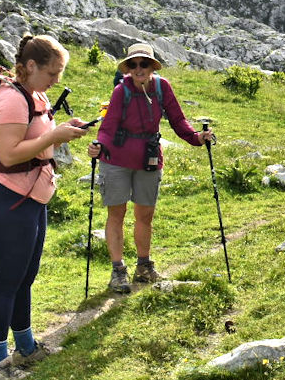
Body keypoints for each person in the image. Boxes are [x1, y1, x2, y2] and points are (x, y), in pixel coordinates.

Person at [0, 34, 91, 380]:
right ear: (29, 67)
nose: (57, 80)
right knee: (6, 281)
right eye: (52, 72)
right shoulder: (11, 99)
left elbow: (37, 140)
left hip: (32, 197)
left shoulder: (35, 95)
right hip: (7, 198)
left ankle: (25, 346)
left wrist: (62, 132)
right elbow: (10, 154)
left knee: (25, 277)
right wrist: (53, 137)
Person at [87, 43, 214, 293]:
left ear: (152, 66)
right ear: (128, 68)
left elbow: (178, 120)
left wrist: (197, 138)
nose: (138, 69)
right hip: (115, 160)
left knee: (145, 215)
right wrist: (98, 147)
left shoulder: (161, 87)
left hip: (149, 158)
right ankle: (118, 271)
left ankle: (144, 268)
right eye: (133, 64)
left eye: (143, 63)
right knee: (117, 214)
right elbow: (108, 126)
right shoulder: (121, 90)